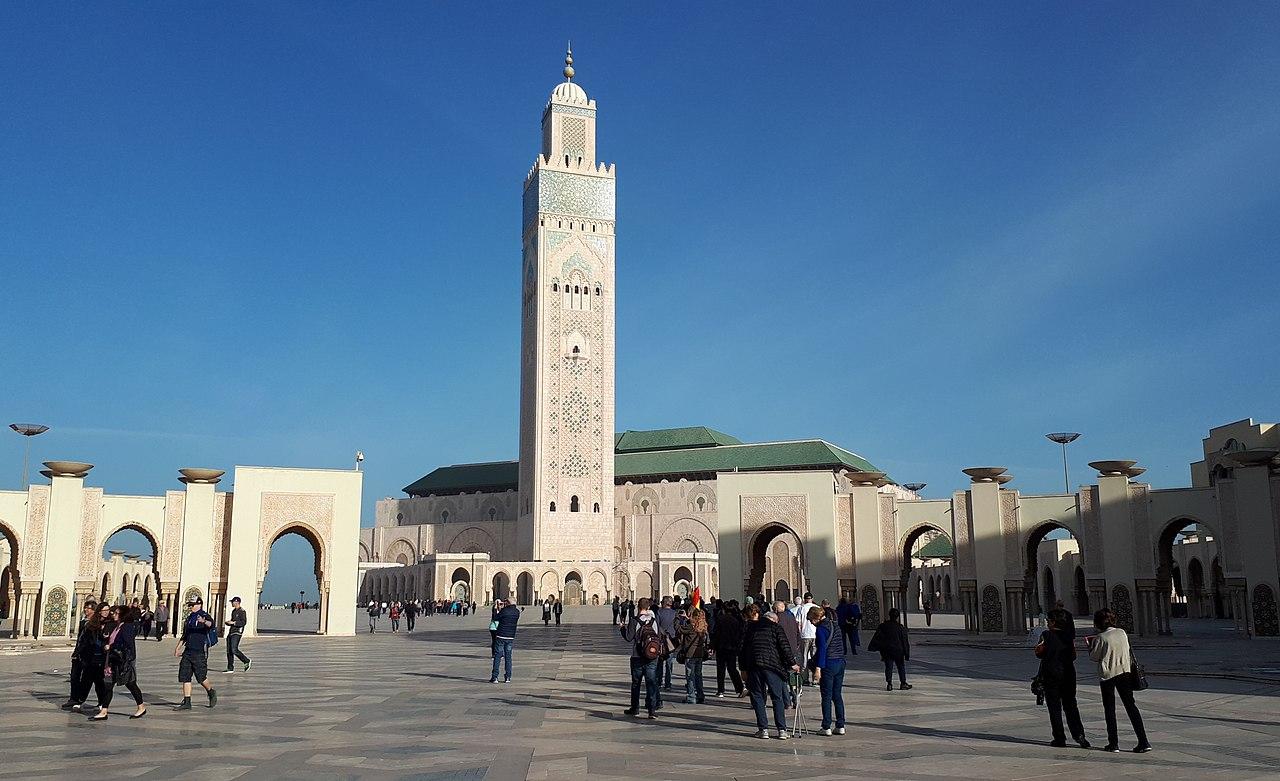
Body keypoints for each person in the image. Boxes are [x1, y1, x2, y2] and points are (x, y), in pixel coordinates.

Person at [1087, 609, 1151, 753]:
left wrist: (1090, 647)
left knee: (1110, 709)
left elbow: (1094, 657)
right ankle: (1143, 741)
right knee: (1131, 706)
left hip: (1108, 675)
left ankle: (1113, 743)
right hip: (1125, 672)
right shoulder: (1122, 633)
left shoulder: (1101, 638)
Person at [741, 603, 799, 739]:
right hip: (773, 666)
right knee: (777, 697)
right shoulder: (775, 627)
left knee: (757, 696)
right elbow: (785, 647)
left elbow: (742, 650)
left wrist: (743, 669)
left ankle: (763, 729)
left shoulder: (749, 628)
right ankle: (782, 730)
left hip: (754, 665)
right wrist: (793, 663)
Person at [1036, 608, 1089, 748]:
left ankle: (1059, 738)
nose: (1047, 623)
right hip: (1068, 673)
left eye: (1048, 621)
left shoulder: (1046, 635)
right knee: (1071, 705)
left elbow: (1039, 653)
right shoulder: (1068, 636)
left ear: (1053, 622)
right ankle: (1079, 735)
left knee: (1054, 707)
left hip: (1051, 674)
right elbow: (1073, 655)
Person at [95, 604, 146, 720]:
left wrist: (111, 647)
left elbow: (127, 644)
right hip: (113, 660)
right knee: (108, 685)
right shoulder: (117, 626)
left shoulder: (127, 627)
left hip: (123, 661)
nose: (114, 614)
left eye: (117, 613)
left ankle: (141, 706)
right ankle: (104, 710)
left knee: (131, 684)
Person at [807, 606, 847, 736]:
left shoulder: (821, 630)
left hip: (828, 664)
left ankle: (826, 726)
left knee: (826, 696)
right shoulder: (835, 625)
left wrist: (818, 669)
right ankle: (840, 725)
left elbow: (822, 649)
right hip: (840, 662)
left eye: (811, 620)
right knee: (837, 695)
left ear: (816, 618)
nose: (811, 623)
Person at [64, 601, 109, 711]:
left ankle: (101, 703)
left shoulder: (107, 624)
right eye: (85, 608)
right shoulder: (87, 623)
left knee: (97, 681)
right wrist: (77, 652)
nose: (86, 610)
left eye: (89, 608)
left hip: (99, 656)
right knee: (81, 678)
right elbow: (82, 640)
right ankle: (76, 699)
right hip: (87, 655)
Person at [174, 597, 218, 710]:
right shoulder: (189, 618)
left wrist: (204, 621)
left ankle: (211, 691)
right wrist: (178, 648)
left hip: (199, 651)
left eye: (192, 605)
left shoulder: (204, 615)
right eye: (189, 605)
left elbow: (211, 624)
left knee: (201, 677)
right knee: (185, 676)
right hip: (188, 651)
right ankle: (187, 701)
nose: (190, 607)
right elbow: (185, 635)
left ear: (199, 604)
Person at [621, 597, 660, 719]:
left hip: (637, 656)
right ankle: (652, 710)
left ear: (638, 607)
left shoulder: (634, 621)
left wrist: (622, 628)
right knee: (651, 683)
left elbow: (628, 637)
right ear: (648, 607)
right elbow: (658, 637)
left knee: (636, 683)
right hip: (652, 657)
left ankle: (635, 708)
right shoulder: (654, 621)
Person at [869, 607, 912, 691]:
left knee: (888, 667)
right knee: (901, 667)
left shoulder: (883, 626)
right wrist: (907, 653)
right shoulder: (900, 628)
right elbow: (904, 641)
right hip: (898, 651)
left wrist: (876, 648)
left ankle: (889, 684)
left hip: (887, 650)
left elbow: (878, 638)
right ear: (897, 617)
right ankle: (903, 683)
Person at [711, 600, 745, 698]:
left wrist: (712, 646)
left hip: (721, 647)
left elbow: (716, 634)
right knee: (732, 668)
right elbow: (739, 634)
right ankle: (740, 688)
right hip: (732, 647)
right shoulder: (736, 620)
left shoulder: (720, 619)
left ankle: (721, 690)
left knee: (720, 669)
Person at [676, 608, 711, 704]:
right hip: (699, 654)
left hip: (690, 654)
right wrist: (687, 618)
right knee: (698, 676)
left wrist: (678, 618)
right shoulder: (703, 627)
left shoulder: (691, 627)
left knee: (690, 676)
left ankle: (691, 696)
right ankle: (700, 695)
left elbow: (679, 629)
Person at [489, 598, 521, 683]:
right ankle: (508, 677)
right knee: (508, 657)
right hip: (510, 637)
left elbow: (495, 618)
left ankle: (495, 677)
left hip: (501, 636)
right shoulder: (517, 612)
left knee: (497, 656)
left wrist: (496, 608)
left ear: (507, 603)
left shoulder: (504, 611)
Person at [791, 593, 818, 679]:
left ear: (804, 599)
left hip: (805, 635)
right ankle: (815, 678)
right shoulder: (817, 608)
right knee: (815, 656)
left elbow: (798, 623)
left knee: (804, 656)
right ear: (812, 598)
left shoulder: (802, 608)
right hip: (815, 634)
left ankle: (805, 677)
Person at [654, 596, 678, 691]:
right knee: (669, 663)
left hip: (661, 640)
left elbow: (656, 626)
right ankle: (668, 683)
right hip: (671, 641)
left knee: (659, 662)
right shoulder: (674, 613)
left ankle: (659, 681)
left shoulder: (659, 612)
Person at [224, 596, 251, 672]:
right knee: (229, 650)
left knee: (234, 649)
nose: (232, 603)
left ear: (237, 602)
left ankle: (246, 660)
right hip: (231, 631)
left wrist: (234, 623)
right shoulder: (234, 611)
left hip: (237, 632)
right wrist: (229, 623)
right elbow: (233, 621)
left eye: (232, 602)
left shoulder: (242, 611)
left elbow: (243, 622)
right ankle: (230, 667)